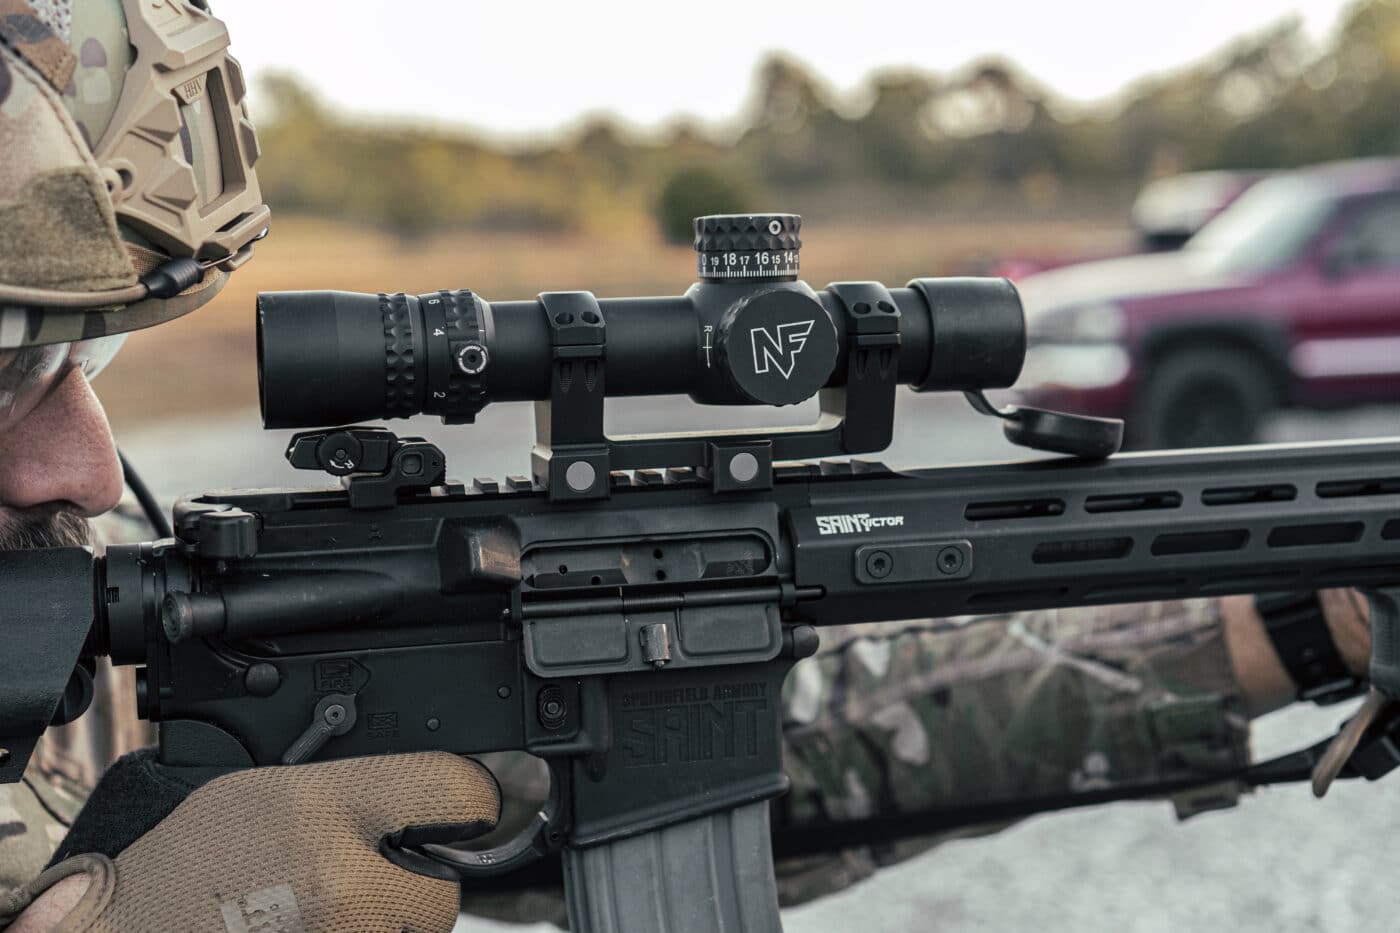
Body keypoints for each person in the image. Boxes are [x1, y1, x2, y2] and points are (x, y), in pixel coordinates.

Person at [0, 1, 1376, 931]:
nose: (85, 461)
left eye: (90, 361)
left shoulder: (92, 617)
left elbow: (742, 754)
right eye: (8, 363)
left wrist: (1305, 620)